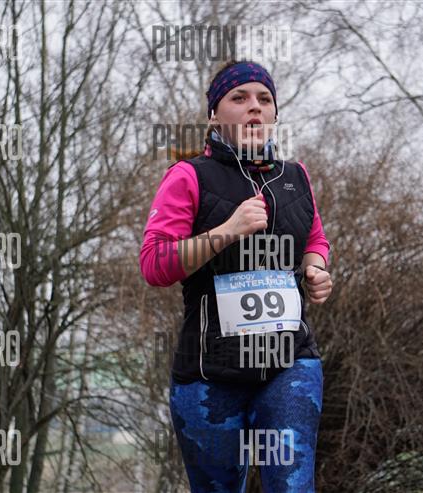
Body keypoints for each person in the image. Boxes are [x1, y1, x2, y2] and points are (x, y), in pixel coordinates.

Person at [140, 60, 332, 493]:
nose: (254, 107)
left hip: (289, 362)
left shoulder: (295, 177)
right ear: (214, 114)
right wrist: (227, 231)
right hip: (210, 373)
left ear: (275, 113)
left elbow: (315, 239)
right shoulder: (188, 177)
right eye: (239, 98)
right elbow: (154, 264)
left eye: (264, 99)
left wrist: (316, 269)